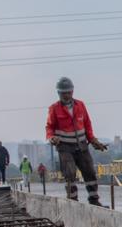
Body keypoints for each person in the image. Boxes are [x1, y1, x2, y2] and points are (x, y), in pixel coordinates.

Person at [45, 76, 107, 204]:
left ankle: (94, 200)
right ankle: (73, 201)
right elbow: (49, 127)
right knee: (70, 172)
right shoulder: (54, 108)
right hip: (65, 147)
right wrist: (51, 138)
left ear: (72, 91)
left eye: (69, 92)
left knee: (89, 171)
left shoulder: (80, 105)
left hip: (81, 146)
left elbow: (87, 124)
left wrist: (93, 140)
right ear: (59, 93)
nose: (67, 95)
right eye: (64, 93)